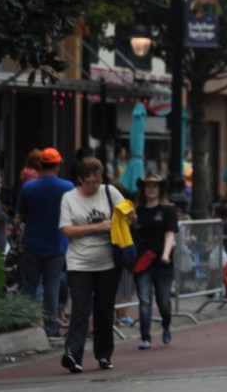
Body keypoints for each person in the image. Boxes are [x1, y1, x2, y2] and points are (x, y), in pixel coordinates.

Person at [59, 157, 132, 373]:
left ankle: (103, 355)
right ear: (80, 179)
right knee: (80, 309)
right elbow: (66, 229)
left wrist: (130, 216)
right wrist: (97, 226)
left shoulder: (110, 192)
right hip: (79, 262)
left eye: (98, 181)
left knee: (104, 310)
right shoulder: (69, 198)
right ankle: (73, 354)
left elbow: (129, 218)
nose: (95, 186)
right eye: (90, 182)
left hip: (108, 262)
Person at [16, 147, 74, 338]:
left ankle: (25, 325)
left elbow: (21, 215)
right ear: (58, 165)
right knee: (52, 287)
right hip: (56, 245)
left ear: (40, 165)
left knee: (29, 287)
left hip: (32, 244)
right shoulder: (67, 187)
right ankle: (50, 328)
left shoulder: (29, 188)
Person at [132, 172, 178, 350]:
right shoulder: (136, 211)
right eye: (148, 186)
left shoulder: (168, 210)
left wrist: (166, 254)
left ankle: (166, 325)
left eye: (155, 186)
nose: (151, 189)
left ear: (160, 189)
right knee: (144, 300)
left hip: (163, 264)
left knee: (164, 302)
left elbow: (170, 234)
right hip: (142, 262)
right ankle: (145, 337)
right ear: (143, 189)